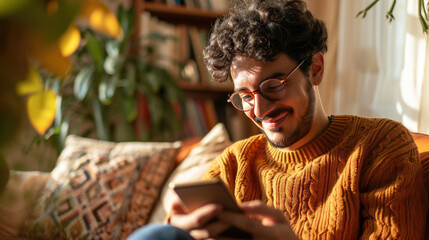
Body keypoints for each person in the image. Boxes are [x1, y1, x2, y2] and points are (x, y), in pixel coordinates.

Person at [127, 0, 428, 239]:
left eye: (273, 87)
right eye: (244, 95)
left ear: (315, 69)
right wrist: (182, 224)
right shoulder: (235, 164)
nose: (258, 110)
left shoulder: (380, 146)